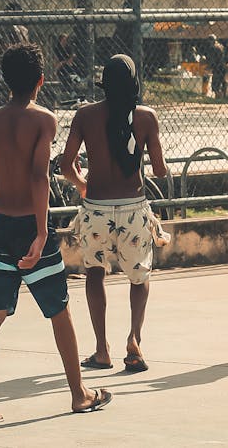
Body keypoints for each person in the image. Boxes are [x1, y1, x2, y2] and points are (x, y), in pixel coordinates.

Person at [0, 42, 112, 426]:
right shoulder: (44, 120)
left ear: (5, 81)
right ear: (41, 82)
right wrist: (41, 231)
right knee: (59, 311)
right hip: (32, 226)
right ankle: (79, 394)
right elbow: (38, 176)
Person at [61, 54, 169, 374]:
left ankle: (100, 349)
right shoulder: (147, 117)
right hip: (134, 209)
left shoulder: (85, 116)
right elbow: (161, 171)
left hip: (95, 210)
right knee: (139, 276)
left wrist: (82, 183)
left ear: (104, 84)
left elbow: (66, 166)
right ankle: (134, 340)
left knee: (95, 273)